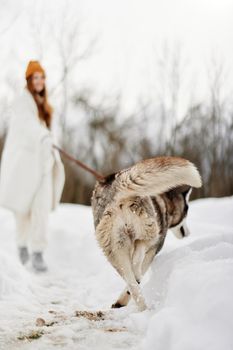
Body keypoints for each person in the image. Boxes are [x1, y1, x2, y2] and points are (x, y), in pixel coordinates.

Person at [0, 60, 65, 272]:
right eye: (35, 77)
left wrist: (52, 144)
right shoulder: (22, 101)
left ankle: (38, 251)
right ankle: (21, 246)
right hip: (26, 165)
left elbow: (51, 133)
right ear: (29, 80)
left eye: (42, 77)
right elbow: (26, 127)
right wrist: (43, 136)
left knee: (41, 208)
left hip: (44, 164)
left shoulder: (45, 106)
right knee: (23, 208)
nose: (39, 81)